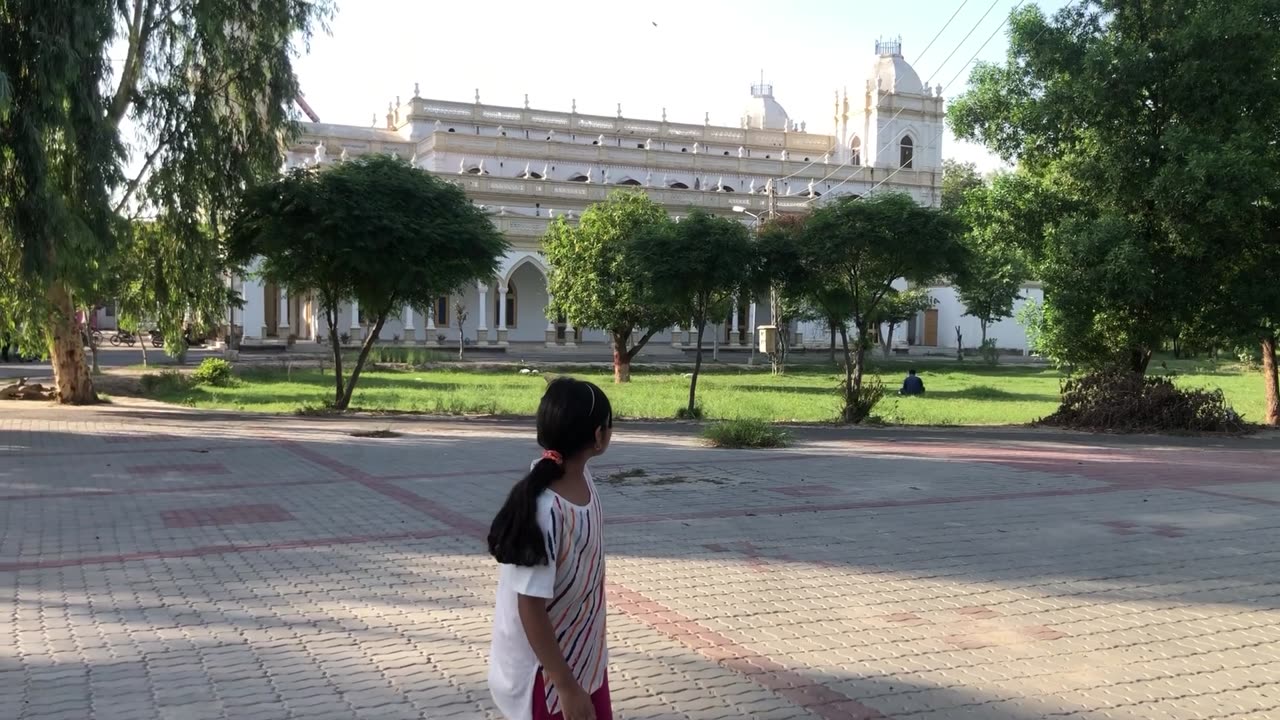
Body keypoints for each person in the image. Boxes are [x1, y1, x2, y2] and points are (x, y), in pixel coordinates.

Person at [488, 378, 614, 720]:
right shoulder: (545, 511)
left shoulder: (583, 483)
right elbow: (530, 607)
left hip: (584, 659)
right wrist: (567, 686)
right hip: (547, 679)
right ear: (600, 436)